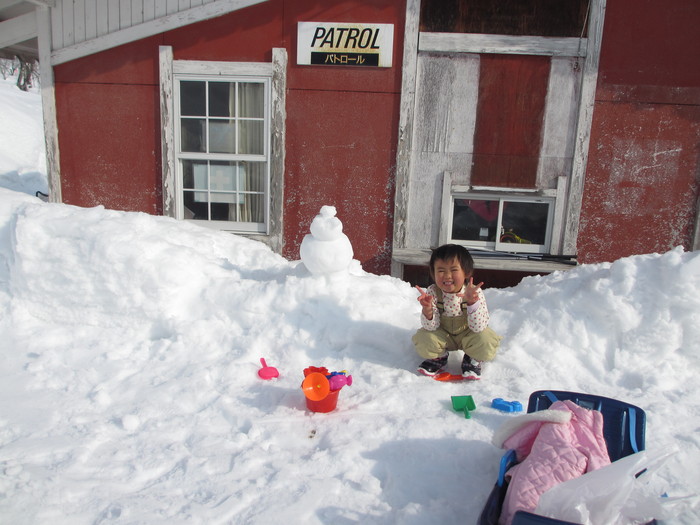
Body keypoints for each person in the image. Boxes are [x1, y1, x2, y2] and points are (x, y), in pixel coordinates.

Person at [413, 244, 502, 378]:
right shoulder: (433, 292)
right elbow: (431, 327)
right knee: (424, 337)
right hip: (443, 335)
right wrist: (428, 310)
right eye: (441, 270)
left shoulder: (474, 292)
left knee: (486, 339)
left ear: (466, 273)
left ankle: (472, 359)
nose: (447, 276)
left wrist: (472, 303)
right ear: (433, 273)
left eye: (454, 270)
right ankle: (439, 358)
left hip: (468, 334)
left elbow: (479, 327)